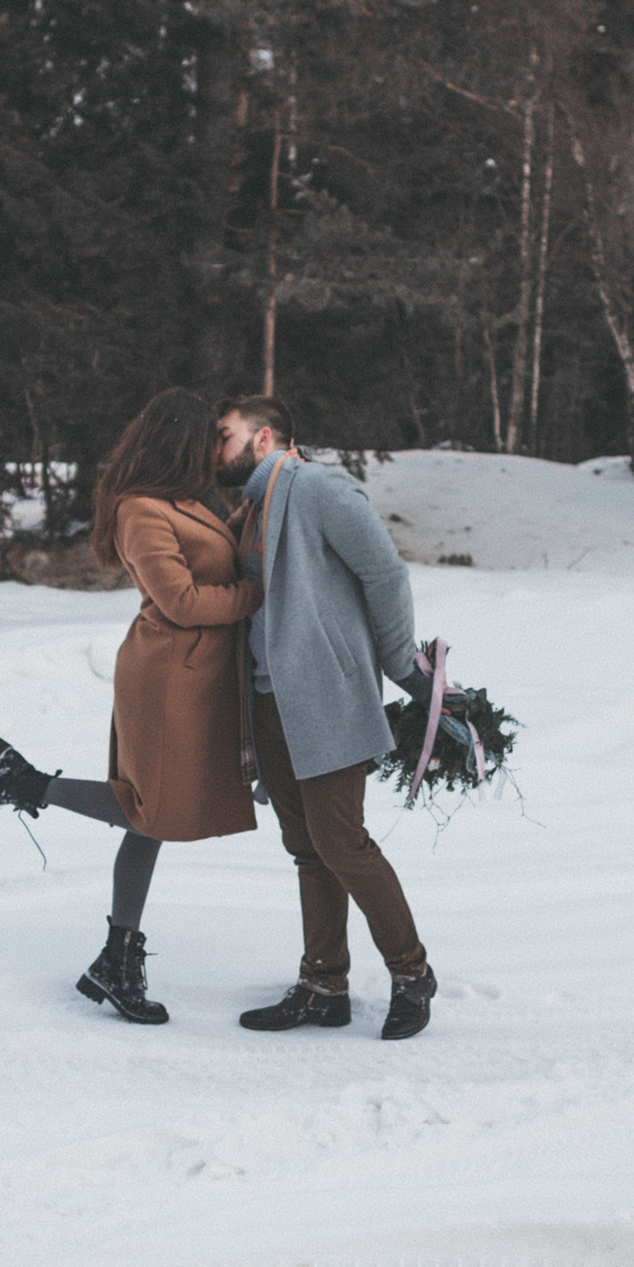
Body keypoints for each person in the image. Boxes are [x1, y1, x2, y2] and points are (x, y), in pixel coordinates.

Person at [0, 389, 261, 1025]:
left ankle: (115, 962)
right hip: (168, 675)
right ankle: (23, 781)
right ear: (183, 442)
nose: (216, 451)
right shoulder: (140, 511)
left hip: (195, 676)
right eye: (210, 439)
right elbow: (180, 602)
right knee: (149, 808)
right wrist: (253, 596)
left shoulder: (188, 501)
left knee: (150, 819)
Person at [216, 395, 439, 1041]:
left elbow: (385, 573)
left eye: (223, 434)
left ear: (263, 439)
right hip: (270, 702)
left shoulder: (316, 487)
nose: (213, 447)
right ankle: (323, 984)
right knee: (307, 849)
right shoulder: (250, 507)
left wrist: (403, 666)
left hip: (326, 697)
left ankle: (411, 972)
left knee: (341, 840)